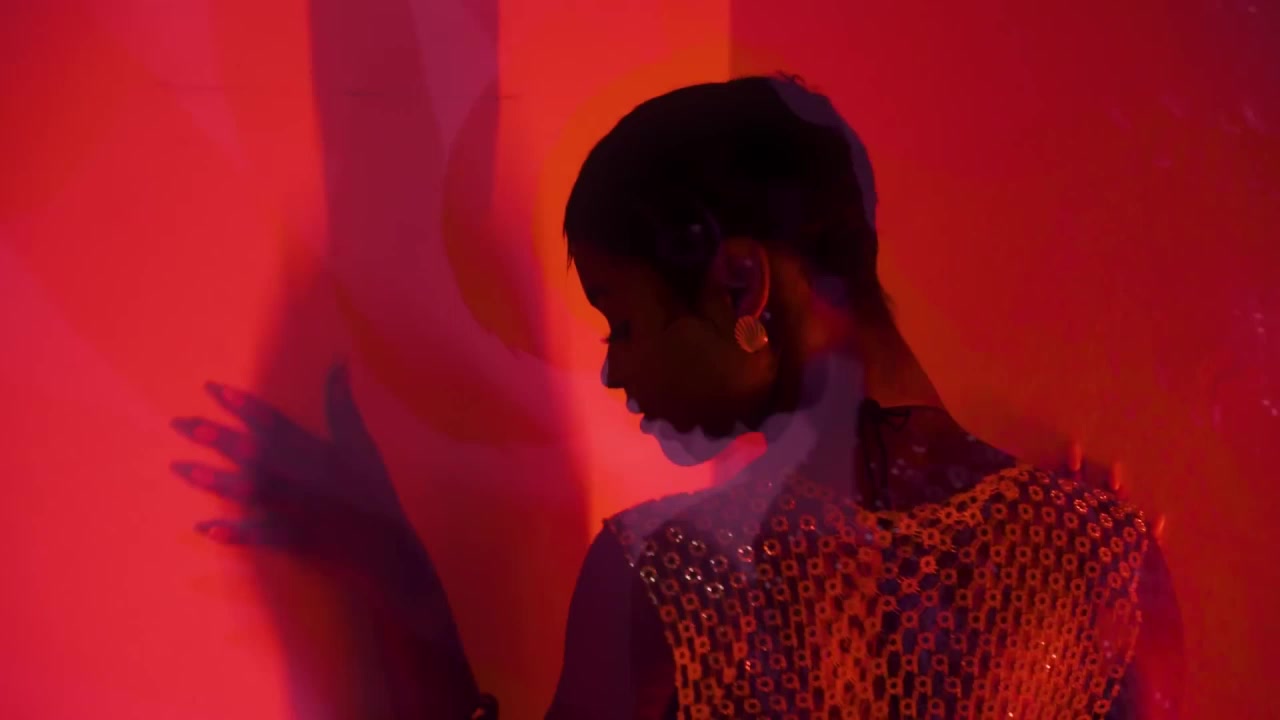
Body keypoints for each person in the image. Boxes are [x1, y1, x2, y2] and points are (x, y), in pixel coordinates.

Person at [174, 75, 1183, 719]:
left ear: (741, 285)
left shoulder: (669, 579)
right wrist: (1074, 540)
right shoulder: (1112, 560)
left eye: (621, 320)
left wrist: (394, 567)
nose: (614, 372)